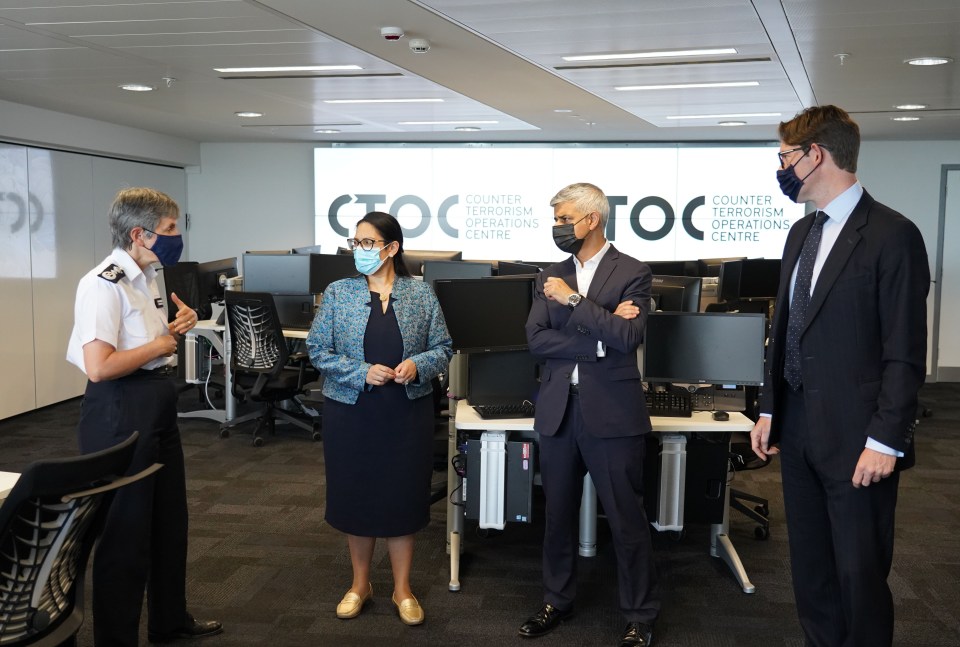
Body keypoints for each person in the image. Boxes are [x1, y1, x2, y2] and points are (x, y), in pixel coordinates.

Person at [751, 105, 930, 647]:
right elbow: (785, 330)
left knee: (858, 573)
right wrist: (768, 409)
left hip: (859, 436)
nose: (780, 168)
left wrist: (886, 439)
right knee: (811, 569)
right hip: (799, 425)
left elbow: (905, 351)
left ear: (815, 155)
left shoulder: (893, 235)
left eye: (784, 157)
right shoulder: (800, 234)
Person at [66, 187, 223, 646]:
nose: (178, 238)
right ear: (141, 234)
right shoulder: (103, 282)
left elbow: (143, 343)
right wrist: (157, 346)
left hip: (154, 400)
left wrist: (173, 330)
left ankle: (169, 621)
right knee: (125, 533)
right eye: (171, 230)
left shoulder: (147, 273)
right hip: (118, 408)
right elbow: (99, 366)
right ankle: (117, 639)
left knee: (169, 523)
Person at [519, 183, 660, 647]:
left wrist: (575, 303)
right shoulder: (550, 274)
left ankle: (639, 615)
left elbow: (630, 337)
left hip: (614, 415)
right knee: (556, 515)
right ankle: (555, 601)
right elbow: (536, 340)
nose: (557, 226)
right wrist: (599, 335)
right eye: (556, 219)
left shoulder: (634, 272)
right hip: (560, 412)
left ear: (591, 219)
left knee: (626, 518)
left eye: (563, 218)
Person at [306, 211, 452, 626]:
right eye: (356, 243)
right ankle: (360, 584)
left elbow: (443, 346)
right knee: (358, 494)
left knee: (403, 496)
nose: (360, 251)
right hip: (353, 411)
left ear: (392, 248)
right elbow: (318, 349)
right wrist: (360, 372)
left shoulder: (421, 294)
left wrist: (418, 365)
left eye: (368, 243)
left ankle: (403, 589)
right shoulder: (338, 292)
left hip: (405, 411)